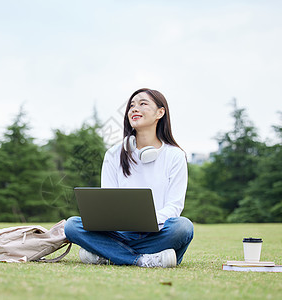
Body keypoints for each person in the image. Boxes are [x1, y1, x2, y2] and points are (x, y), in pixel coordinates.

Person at [64, 88, 194, 268]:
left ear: (160, 112)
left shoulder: (175, 156)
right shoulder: (113, 154)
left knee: (183, 227)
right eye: (131, 106)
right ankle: (143, 259)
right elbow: (107, 201)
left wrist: (148, 221)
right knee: (72, 226)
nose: (134, 109)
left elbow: (174, 206)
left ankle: (108, 254)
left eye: (142, 104)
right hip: (119, 232)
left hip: (157, 232)